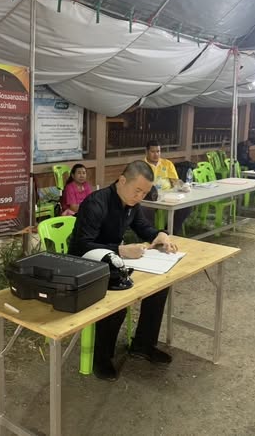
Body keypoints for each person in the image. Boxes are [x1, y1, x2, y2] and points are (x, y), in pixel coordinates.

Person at [69, 160, 178, 381]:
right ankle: (101, 358)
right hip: (86, 264)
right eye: (137, 190)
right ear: (122, 181)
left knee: (159, 286)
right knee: (119, 297)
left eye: (144, 193)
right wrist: (120, 250)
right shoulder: (96, 203)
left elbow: (143, 227)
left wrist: (160, 235)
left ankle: (143, 345)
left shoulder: (130, 204)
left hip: (114, 261)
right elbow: (81, 246)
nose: (139, 197)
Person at [144, 140, 191, 235]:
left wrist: (183, 186)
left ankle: (169, 231)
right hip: (150, 196)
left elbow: (175, 181)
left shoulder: (167, 163)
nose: (156, 154)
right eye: (153, 152)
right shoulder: (141, 165)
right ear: (146, 152)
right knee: (146, 209)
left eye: (158, 151)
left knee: (186, 206)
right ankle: (150, 234)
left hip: (167, 196)